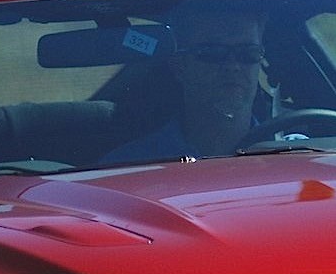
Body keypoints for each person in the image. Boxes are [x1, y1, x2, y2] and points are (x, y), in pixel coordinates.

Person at [102, 10, 268, 162]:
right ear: (179, 66)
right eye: (212, 53)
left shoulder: (290, 154)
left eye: (248, 53)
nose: (233, 66)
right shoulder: (128, 167)